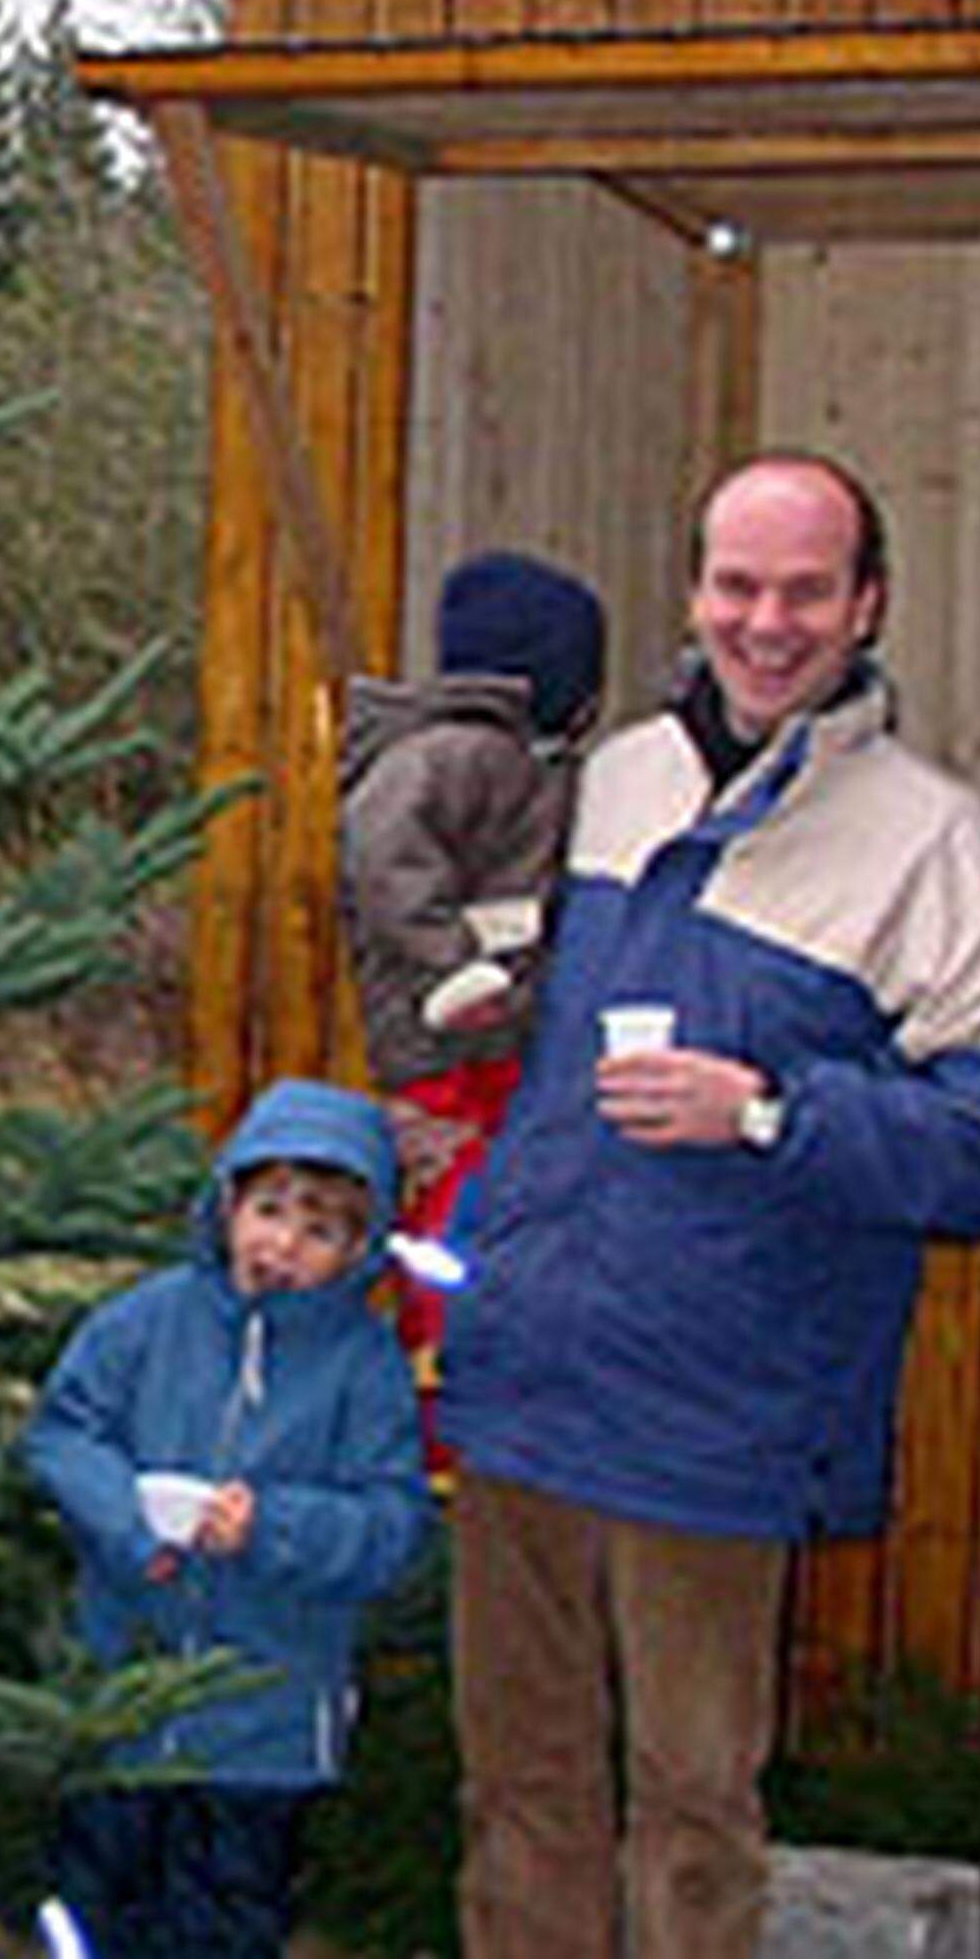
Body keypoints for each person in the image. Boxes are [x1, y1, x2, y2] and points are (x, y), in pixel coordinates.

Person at [439, 453, 980, 1959]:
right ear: (696, 590)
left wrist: (772, 1111)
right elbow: (525, 1019)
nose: (765, 623)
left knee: (694, 1816)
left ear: (867, 607)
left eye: (804, 591)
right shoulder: (616, 778)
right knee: (520, 1792)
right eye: (737, 585)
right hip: (530, 1376)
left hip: (720, 1418)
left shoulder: (927, 839)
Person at [19, 1079, 432, 1959]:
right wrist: (129, 1527)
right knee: (93, 1918)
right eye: (269, 1210)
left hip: (265, 1724)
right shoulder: (146, 1321)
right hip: (121, 1705)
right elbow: (62, 1432)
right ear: (228, 1204)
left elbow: (391, 1525)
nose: (283, 1245)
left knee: (228, 1926)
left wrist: (273, 1526)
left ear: (357, 1248)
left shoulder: (363, 1366)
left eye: (318, 1230)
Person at [338, 549, 602, 1478]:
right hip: (448, 1033)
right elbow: (382, 855)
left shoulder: (537, 769)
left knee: (494, 1209)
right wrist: (453, 964)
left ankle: (478, 1388)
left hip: (508, 1043)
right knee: (446, 1214)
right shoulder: (456, 758)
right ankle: (434, 1399)